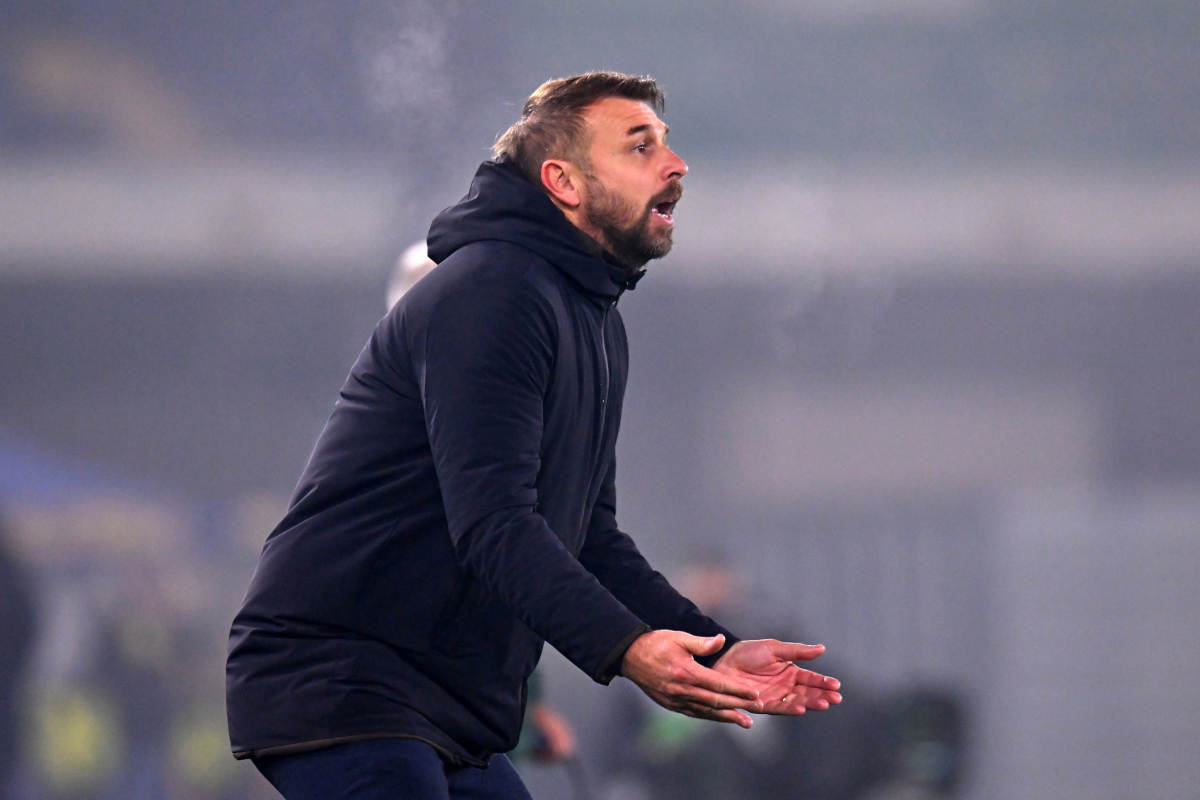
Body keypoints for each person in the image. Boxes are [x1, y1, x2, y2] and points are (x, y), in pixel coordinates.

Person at [225, 72, 842, 800]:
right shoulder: (493, 292)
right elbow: (494, 526)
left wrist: (718, 652)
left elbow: (589, 539)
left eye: (668, 145)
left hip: (450, 709)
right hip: (346, 681)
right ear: (564, 182)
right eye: (640, 147)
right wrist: (629, 650)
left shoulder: (594, 321)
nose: (675, 165)